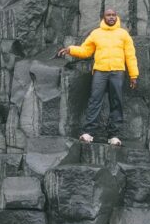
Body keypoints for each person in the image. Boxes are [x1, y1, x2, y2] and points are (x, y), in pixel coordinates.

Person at [58, 8, 138, 145]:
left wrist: (133, 75)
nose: (111, 17)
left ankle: (114, 136)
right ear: (104, 17)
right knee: (95, 100)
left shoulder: (123, 34)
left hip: (117, 71)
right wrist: (70, 49)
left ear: (116, 17)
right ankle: (88, 133)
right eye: (109, 15)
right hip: (100, 71)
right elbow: (85, 50)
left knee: (116, 102)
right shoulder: (96, 33)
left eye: (113, 15)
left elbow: (130, 56)